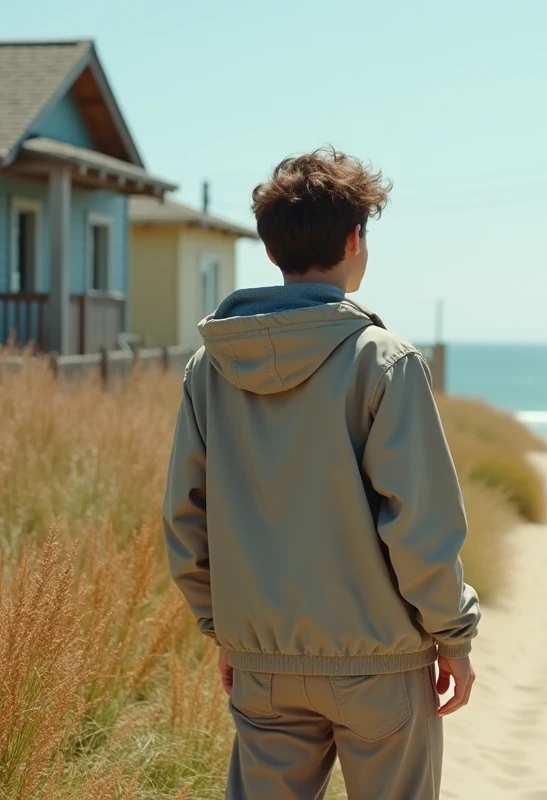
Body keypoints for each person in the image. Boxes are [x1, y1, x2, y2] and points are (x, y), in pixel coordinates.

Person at [162, 146, 480, 800]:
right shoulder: (383, 362)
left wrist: (225, 629)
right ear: (355, 238)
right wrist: (455, 637)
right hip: (382, 666)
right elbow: (418, 526)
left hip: (263, 668)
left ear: (271, 247)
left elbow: (185, 523)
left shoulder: (209, 370)